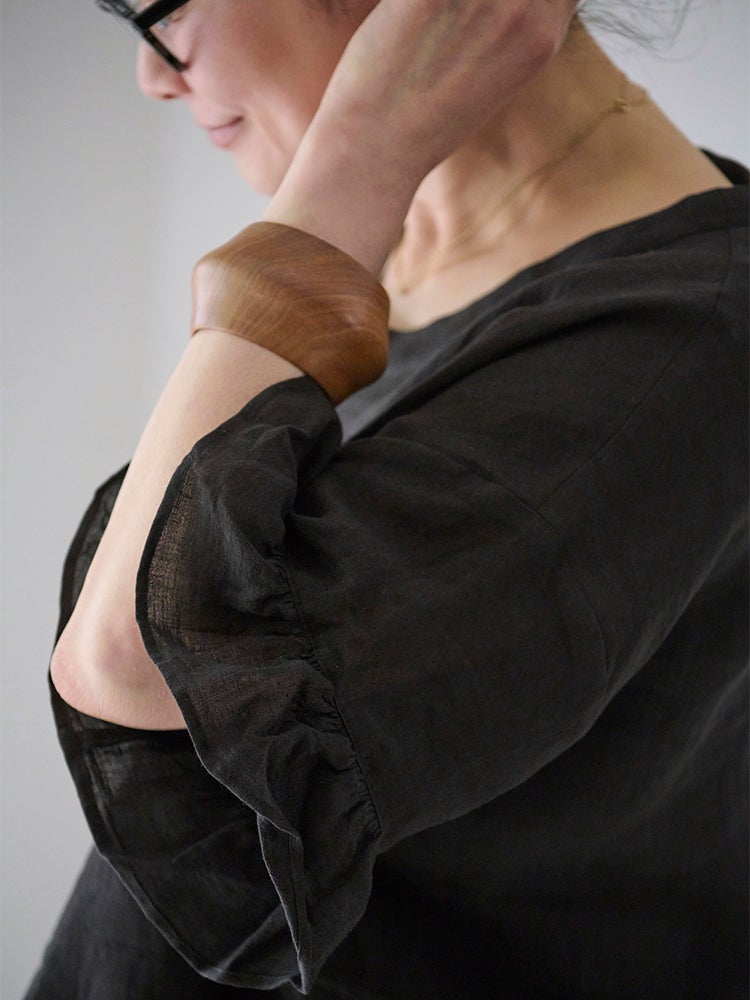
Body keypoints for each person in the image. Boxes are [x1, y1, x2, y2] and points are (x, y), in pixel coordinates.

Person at [26, 0, 747, 997]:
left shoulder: (676, 336)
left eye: (163, 11)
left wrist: (354, 161)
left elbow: (135, 665)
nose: (154, 77)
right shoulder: (401, 273)